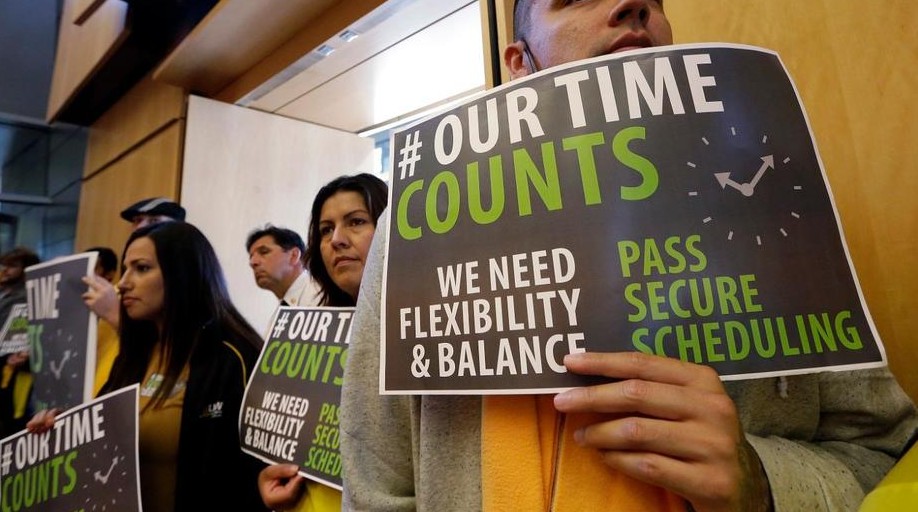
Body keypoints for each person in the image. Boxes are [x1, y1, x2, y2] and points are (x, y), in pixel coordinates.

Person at [339, 2, 918, 511]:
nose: (631, 5)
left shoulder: (772, 210)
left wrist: (761, 481)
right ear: (521, 66)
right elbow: (376, 487)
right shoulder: (411, 230)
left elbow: (883, 451)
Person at [31, 222, 267, 512]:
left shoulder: (235, 359)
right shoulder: (133, 355)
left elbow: (251, 478)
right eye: (125, 268)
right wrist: (67, 427)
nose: (123, 283)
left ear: (183, 274)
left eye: (141, 268)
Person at [257, 173, 388, 512]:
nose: (337, 240)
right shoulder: (314, 333)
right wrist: (278, 479)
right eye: (326, 229)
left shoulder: (420, 337)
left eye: (356, 222)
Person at [83, 197, 186, 328]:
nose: (140, 227)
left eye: (154, 220)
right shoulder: (115, 291)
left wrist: (113, 314)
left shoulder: (185, 293)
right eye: (137, 221)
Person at [0, 247, 40, 437]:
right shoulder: (4, 293)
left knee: (11, 425)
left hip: (16, 370)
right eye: (4, 264)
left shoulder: (29, 297)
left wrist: (17, 354)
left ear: (26, 269)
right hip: (6, 365)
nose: (5, 269)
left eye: (12, 265)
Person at [246, 225, 312, 306]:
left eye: (264, 252)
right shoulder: (282, 309)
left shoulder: (323, 296)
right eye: (251, 257)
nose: (252, 262)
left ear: (294, 256)